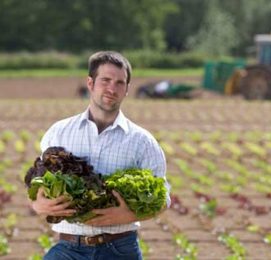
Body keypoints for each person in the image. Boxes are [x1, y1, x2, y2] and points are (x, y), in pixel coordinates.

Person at [30, 51, 171, 259]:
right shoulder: (59, 132)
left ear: (127, 90)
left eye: (120, 83)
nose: (112, 89)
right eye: (105, 80)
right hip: (69, 248)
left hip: (119, 248)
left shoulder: (143, 141)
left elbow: (163, 198)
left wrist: (128, 215)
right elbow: (38, 182)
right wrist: (37, 204)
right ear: (90, 83)